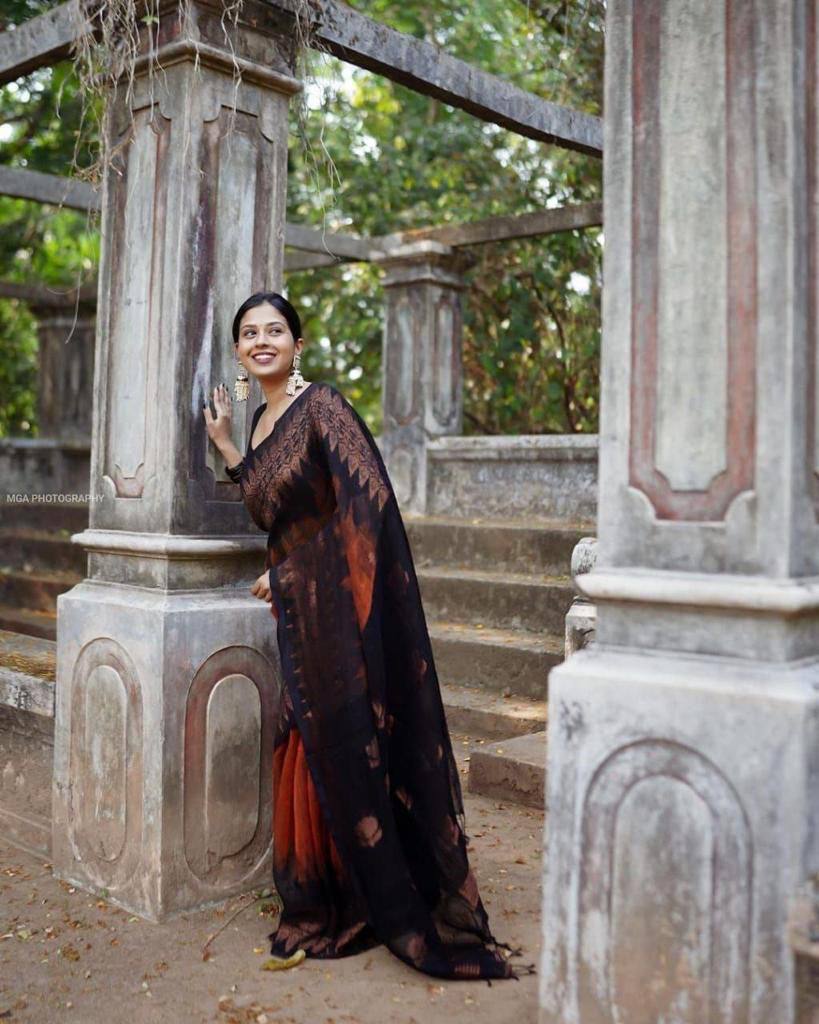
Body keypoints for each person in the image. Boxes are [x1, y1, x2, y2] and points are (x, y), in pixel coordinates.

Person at [203, 291, 533, 981]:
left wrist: (294, 572)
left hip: (338, 608)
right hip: (296, 612)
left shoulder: (321, 406)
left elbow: (370, 501)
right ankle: (319, 894)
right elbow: (271, 504)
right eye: (247, 334)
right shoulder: (261, 420)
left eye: (274, 330)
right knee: (301, 741)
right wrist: (231, 446)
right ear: (237, 351)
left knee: (349, 739)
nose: (261, 341)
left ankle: (370, 897)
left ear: (297, 342)